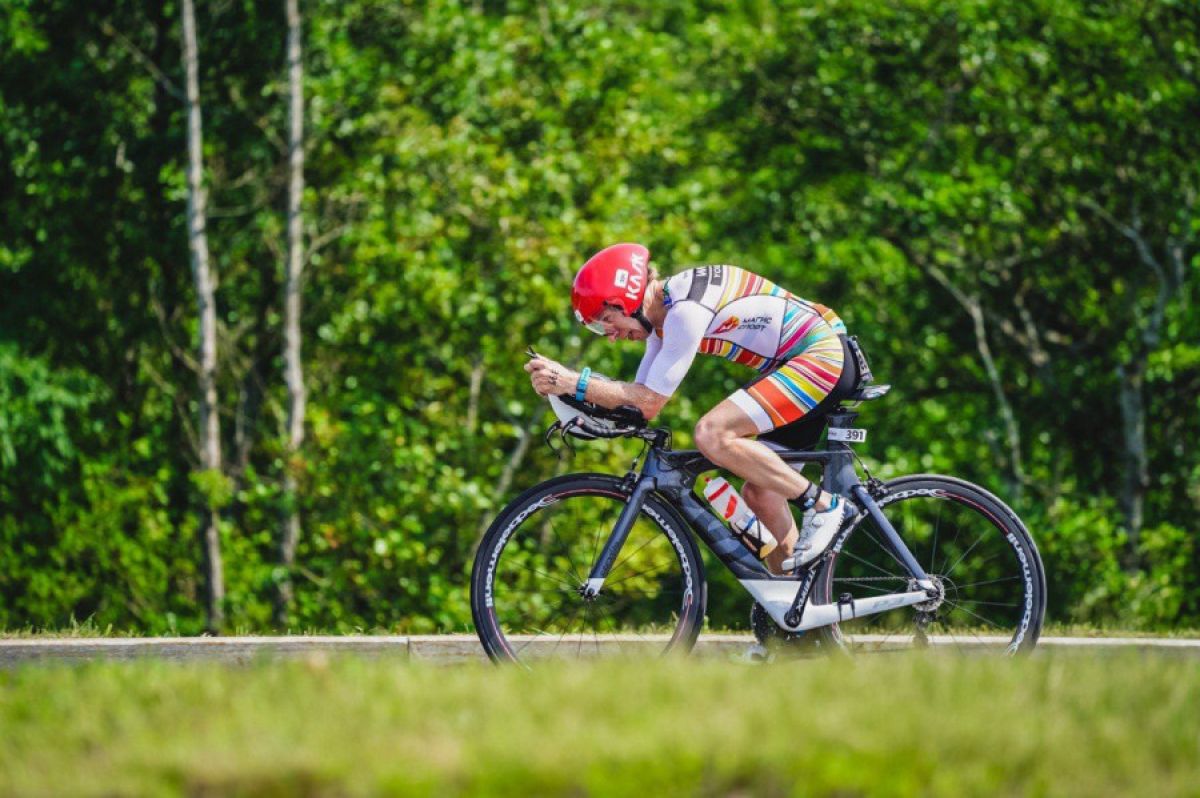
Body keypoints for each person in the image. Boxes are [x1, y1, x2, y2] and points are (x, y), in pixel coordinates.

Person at [525, 242, 860, 575]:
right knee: (762, 493)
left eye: (606, 321)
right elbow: (636, 405)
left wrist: (572, 381)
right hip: (800, 362)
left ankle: (824, 506)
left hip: (820, 355)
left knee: (712, 433)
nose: (610, 336)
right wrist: (577, 401)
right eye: (598, 329)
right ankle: (795, 599)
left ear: (624, 299)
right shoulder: (662, 323)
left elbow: (648, 401)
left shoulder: (685, 311)